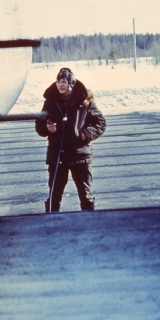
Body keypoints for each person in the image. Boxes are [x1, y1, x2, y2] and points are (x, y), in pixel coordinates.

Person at [35, 67, 106, 212]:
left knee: (85, 196)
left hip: (79, 154)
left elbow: (100, 122)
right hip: (57, 155)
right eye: (58, 81)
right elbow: (39, 125)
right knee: (54, 195)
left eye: (63, 81)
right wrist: (47, 128)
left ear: (71, 83)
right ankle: (51, 226)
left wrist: (85, 134)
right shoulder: (50, 101)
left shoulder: (84, 101)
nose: (60, 85)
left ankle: (89, 225)